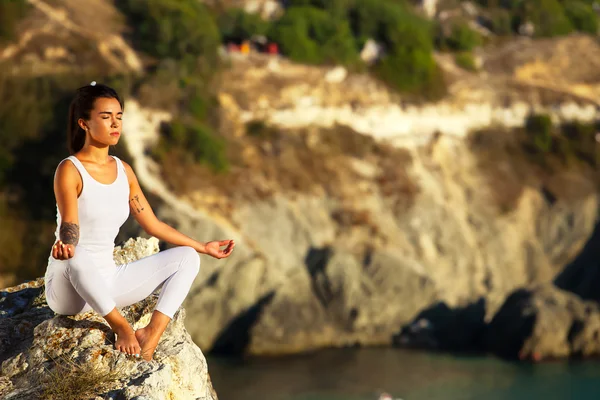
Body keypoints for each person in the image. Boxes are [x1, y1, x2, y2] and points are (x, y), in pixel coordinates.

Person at [43, 82, 235, 361]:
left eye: (119, 116)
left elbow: (153, 225)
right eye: (105, 117)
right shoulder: (70, 169)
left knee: (187, 258)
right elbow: (70, 226)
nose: (115, 124)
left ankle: (150, 336)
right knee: (77, 255)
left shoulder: (124, 171)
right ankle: (121, 326)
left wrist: (204, 247)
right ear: (84, 123)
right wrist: (66, 246)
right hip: (69, 290)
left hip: (107, 284)